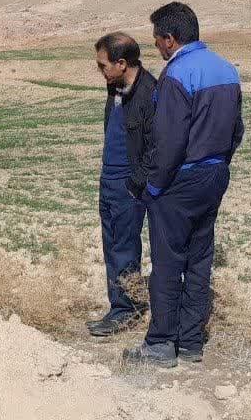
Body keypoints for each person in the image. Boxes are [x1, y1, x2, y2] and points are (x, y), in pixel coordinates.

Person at [124, 2, 244, 368]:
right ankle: (191, 342)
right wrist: (219, 163)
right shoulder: (227, 70)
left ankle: (161, 343)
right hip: (215, 174)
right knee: (199, 258)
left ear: (170, 39)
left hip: (181, 179)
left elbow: (169, 142)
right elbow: (236, 130)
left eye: (157, 41)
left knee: (166, 261)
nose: (156, 49)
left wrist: (155, 188)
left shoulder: (177, 76)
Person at [87, 32, 157, 337]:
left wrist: (135, 184)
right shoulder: (114, 86)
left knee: (124, 248)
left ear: (122, 62)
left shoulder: (149, 93)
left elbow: (157, 146)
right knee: (111, 244)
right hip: (109, 180)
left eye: (103, 65)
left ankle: (125, 312)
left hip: (127, 186)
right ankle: (120, 306)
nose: (100, 71)